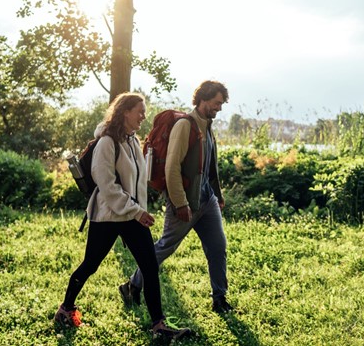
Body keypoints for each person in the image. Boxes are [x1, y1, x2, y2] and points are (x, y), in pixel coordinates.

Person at [54, 92, 190, 340]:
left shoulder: (132, 141)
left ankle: (159, 326)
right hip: (107, 216)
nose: (143, 116)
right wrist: (136, 210)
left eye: (144, 111)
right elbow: (107, 186)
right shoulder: (107, 142)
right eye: (139, 111)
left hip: (131, 216)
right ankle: (65, 309)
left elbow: (137, 182)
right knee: (90, 265)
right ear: (124, 112)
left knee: (150, 266)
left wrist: (140, 208)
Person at [120, 80, 233, 313]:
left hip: (207, 199)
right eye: (216, 103)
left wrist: (217, 194)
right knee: (165, 246)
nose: (219, 108)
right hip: (186, 201)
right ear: (202, 99)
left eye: (221, 104)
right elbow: (172, 168)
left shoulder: (207, 126)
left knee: (217, 247)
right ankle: (132, 285)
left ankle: (219, 299)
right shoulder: (185, 125)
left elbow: (210, 165)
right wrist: (180, 203)